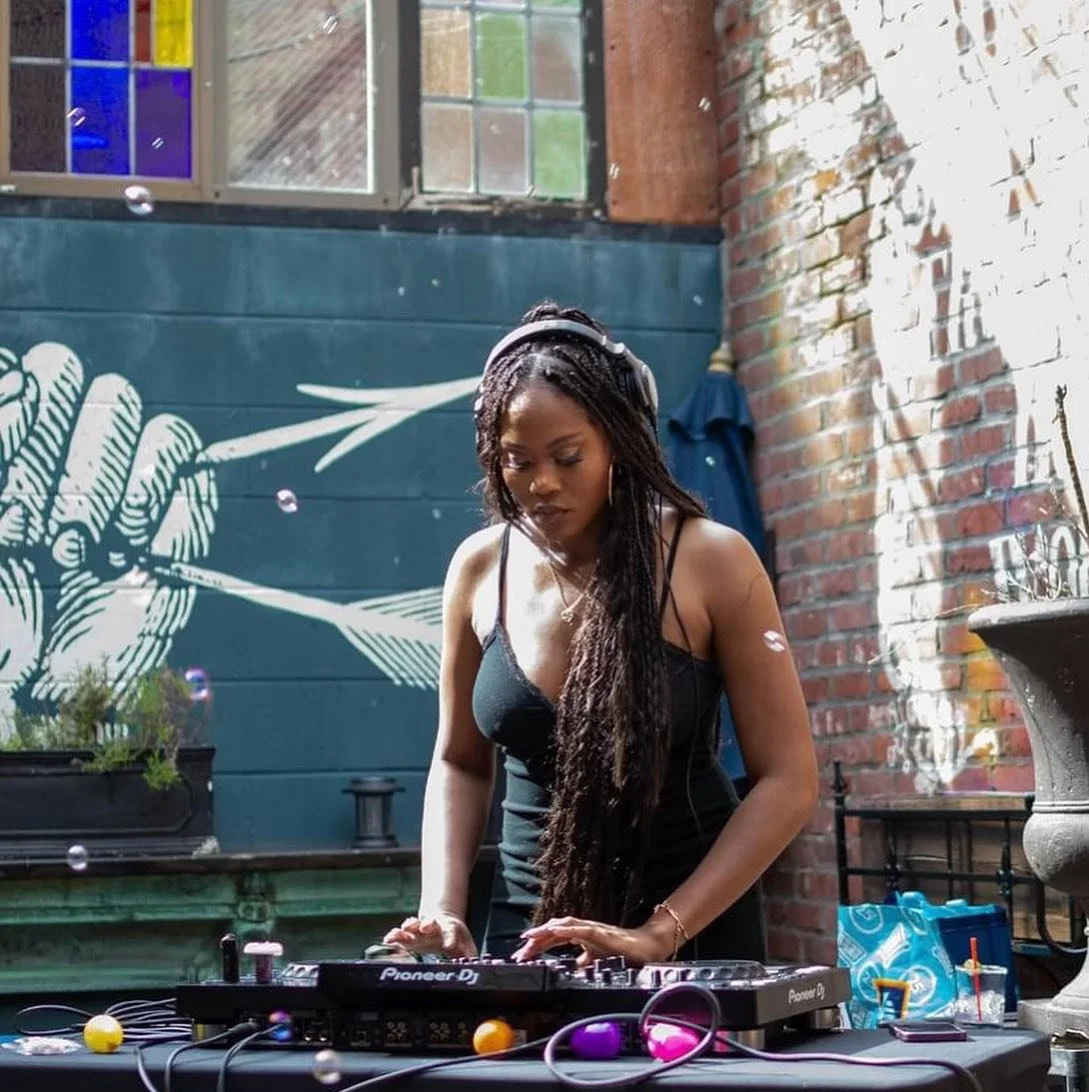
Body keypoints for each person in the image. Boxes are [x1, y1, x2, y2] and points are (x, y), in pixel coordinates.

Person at [383, 302, 818, 967]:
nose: (541, 483)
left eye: (566, 456)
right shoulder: (477, 568)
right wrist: (441, 906)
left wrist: (661, 932)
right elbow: (459, 761)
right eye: (515, 460)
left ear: (620, 438)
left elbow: (788, 779)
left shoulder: (710, 559)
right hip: (528, 935)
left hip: (688, 933)